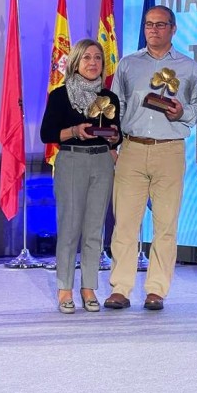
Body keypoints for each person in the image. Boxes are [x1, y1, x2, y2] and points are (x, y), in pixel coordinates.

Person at [105, 5, 197, 311]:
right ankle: (121, 287)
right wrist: (112, 143)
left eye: (160, 25)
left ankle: (156, 289)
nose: (153, 30)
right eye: (148, 25)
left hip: (169, 150)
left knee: (166, 225)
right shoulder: (128, 64)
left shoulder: (188, 67)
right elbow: (113, 107)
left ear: (173, 29)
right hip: (131, 148)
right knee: (125, 224)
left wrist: (181, 111)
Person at [40, 38, 121, 313]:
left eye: (97, 58)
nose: (93, 63)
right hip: (71, 160)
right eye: (86, 58)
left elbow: (114, 133)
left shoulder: (109, 98)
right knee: (70, 227)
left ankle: (89, 287)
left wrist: (114, 137)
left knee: (94, 228)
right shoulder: (60, 96)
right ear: (75, 62)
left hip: (101, 162)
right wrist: (75, 131)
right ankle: (65, 288)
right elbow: (47, 134)